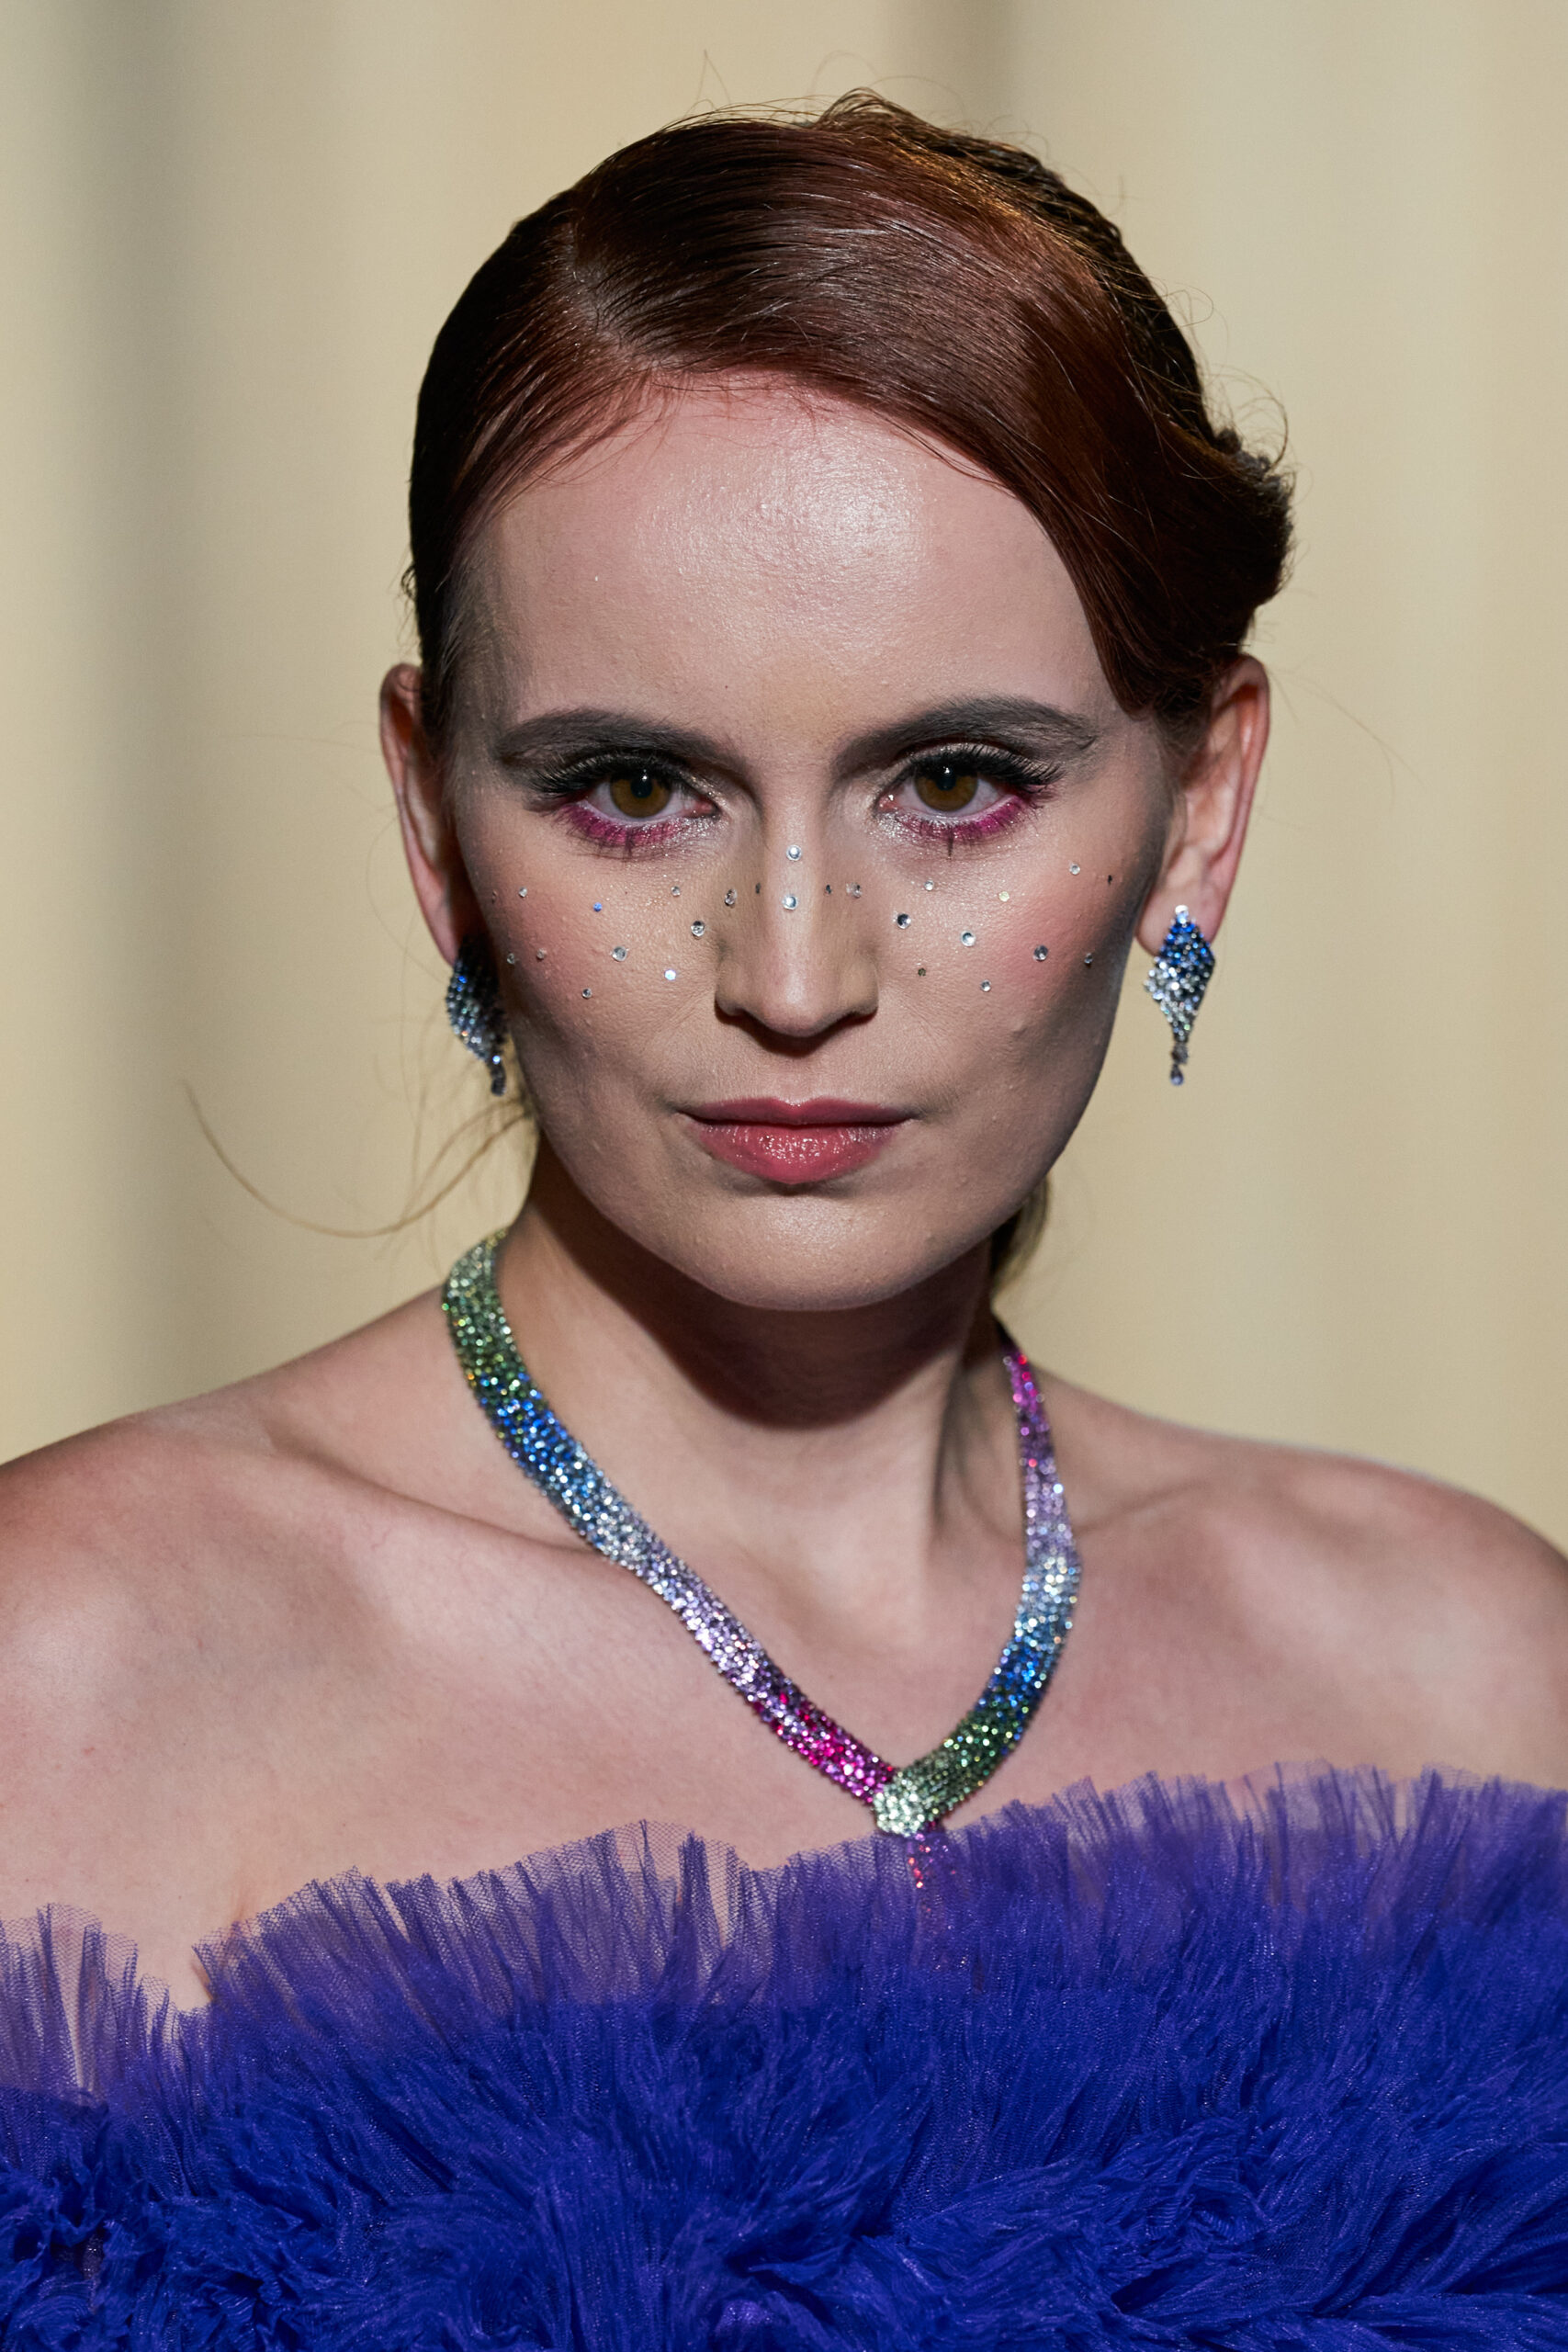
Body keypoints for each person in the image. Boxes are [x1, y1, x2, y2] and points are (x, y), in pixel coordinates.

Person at [0, 95, 1563, 2346]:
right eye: (634, 789)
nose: (797, 969)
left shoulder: (1467, 1683)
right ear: (434, 823)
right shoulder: (75, 1680)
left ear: (1199, 803)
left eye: (955, 782)